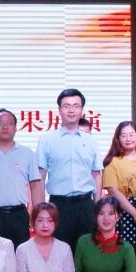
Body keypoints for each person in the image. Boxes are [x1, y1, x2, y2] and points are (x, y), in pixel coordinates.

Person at [36, 89, 102, 250]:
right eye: (66, 106)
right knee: (58, 252)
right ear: (59, 110)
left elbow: (96, 175)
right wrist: (40, 210)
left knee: (86, 252)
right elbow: (40, 177)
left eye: (76, 106)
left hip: (85, 205)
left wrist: (97, 207)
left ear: (82, 110)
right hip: (58, 205)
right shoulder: (47, 140)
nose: (71, 110)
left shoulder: (91, 141)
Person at [0, 109, 42, 249]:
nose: (5, 127)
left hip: (18, 215)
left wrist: (38, 215)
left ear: (16, 128)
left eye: (9, 123)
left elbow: (35, 185)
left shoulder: (27, 153)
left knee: (20, 256)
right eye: (0, 123)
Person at [102, 120, 136, 245]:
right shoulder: (112, 161)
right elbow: (113, 191)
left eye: (131, 134)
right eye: (124, 135)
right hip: (123, 211)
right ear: (118, 138)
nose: (128, 139)